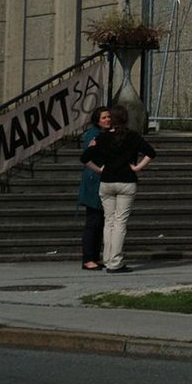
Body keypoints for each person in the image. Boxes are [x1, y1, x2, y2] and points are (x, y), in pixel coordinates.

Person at [80, 105, 156, 273]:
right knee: (120, 222)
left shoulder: (102, 137)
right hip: (126, 181)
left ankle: (107, 259)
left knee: (109, 221)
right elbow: (151, 152)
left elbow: (85, 158)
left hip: (106, 182)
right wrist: (137, 168)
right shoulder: (132, 136)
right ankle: (116, 262)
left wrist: (99, 169)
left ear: (112, 120)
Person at [78, 106, 111, 270]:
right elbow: (87, 156)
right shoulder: (93, 135)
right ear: (97, 120)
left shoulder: (104, 134)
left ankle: (94, 257)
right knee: (94, 221)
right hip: (94, 181)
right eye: (104, 118)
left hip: (101, 180)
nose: (108, 120)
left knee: (99, 221)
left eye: (109, 117)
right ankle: (88, 258)